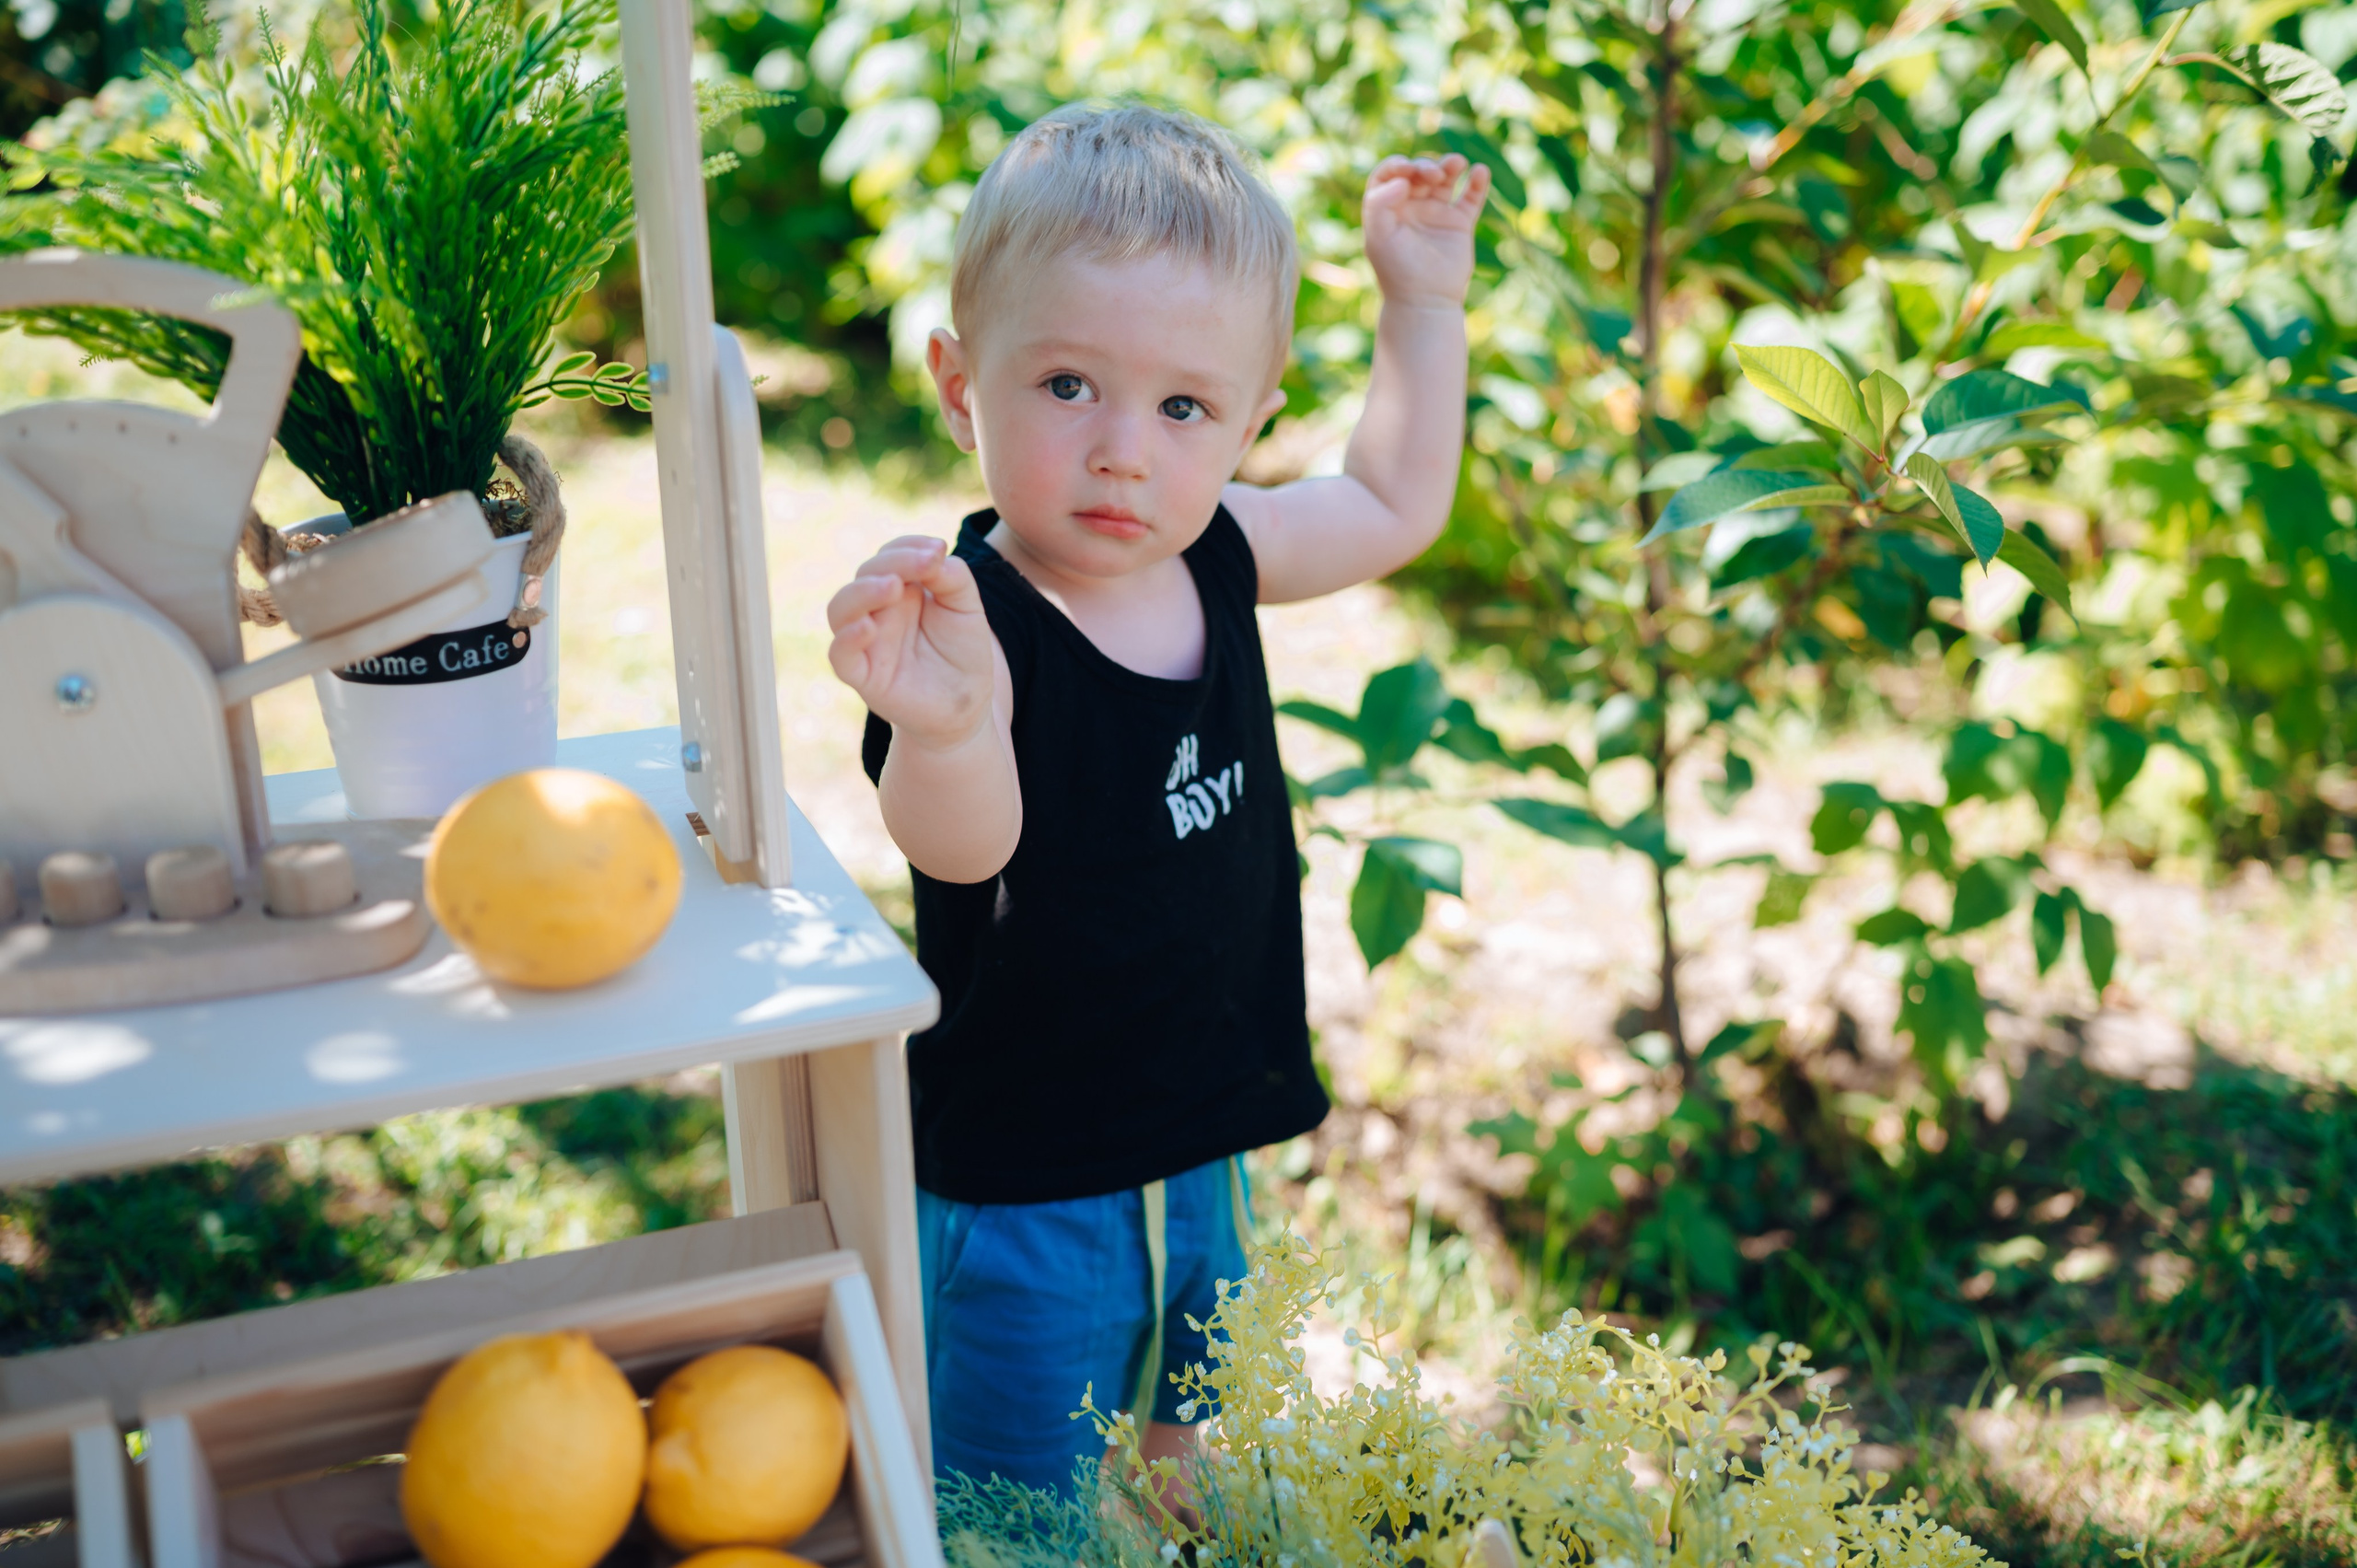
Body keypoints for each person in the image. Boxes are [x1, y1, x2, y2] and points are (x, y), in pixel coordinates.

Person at [825, 101, 1487, 1494]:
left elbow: (1390, 497)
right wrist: (943, 725)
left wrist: (1421, 300)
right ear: (960, 383)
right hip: (1031, 1183)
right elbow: (965, 849)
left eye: (1185, 406)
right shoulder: (972, 626)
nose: (1126, 448)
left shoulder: (1221, 549)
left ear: (1254, 420)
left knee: (1189, 1447)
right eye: (1068, 385)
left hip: (1202, 1140)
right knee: (1023, 1497)